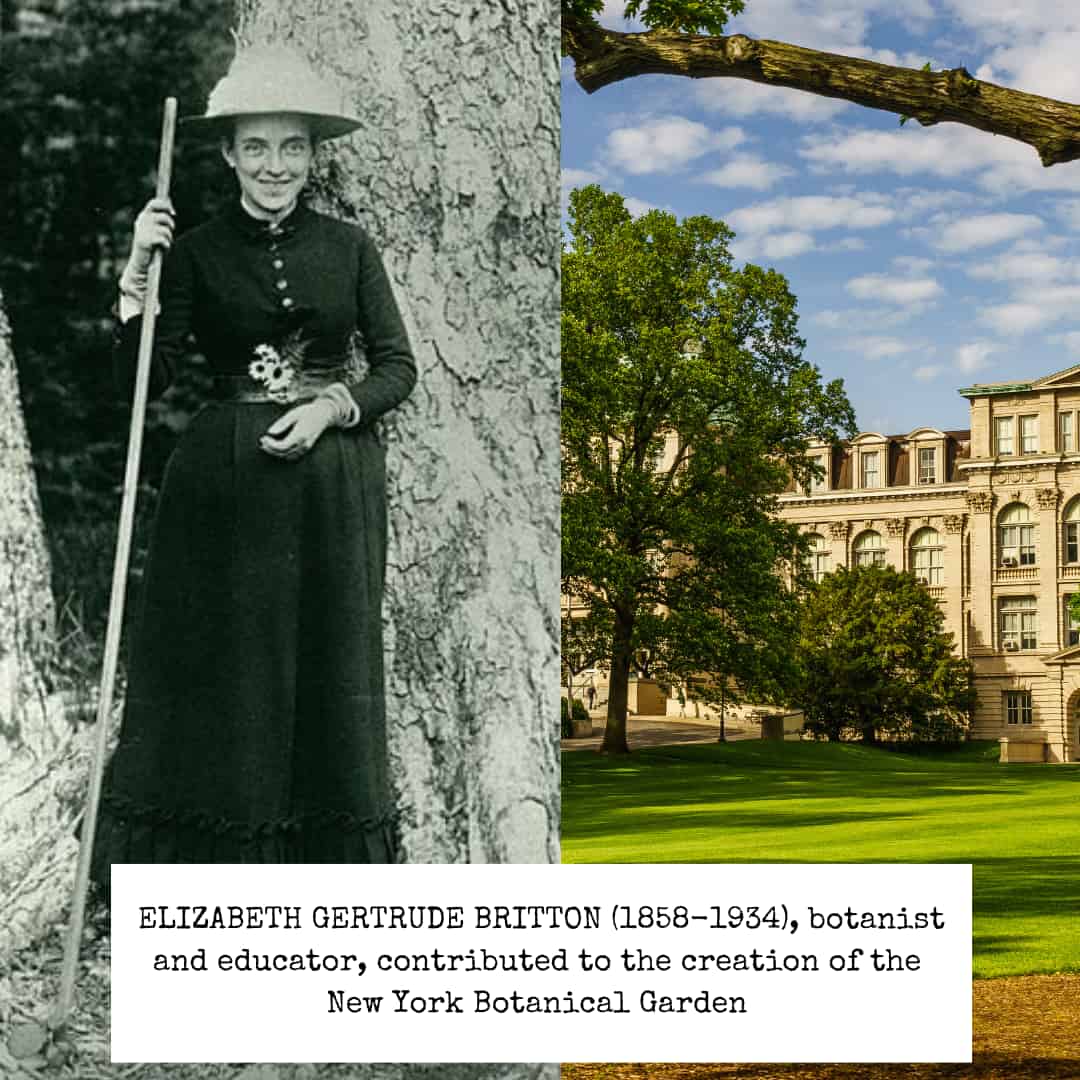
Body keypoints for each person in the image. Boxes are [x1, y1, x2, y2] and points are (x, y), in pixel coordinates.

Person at [90, 45, 416, 886]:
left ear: (314, 156)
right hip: (223, 490)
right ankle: (223, 878)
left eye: (293, 148)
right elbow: (141, 383)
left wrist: (330, 406)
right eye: (258, 148)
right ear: (229, 154)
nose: (276, 167)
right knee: (231, 671)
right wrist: (136, 276)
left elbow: (394, 368)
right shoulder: (191, 251)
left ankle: (319, 878)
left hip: (331, 490)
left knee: (327, 664)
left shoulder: (349, 248)